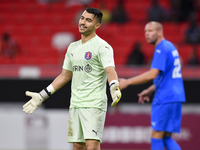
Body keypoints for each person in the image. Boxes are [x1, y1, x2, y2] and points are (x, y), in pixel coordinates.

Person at [22, 7, 121, 150]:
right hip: (75, 103)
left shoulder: (103, 46)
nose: (83, 22)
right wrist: (42, 95)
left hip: (94, 103)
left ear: (97, 25)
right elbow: (65, 75)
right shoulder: (72, 47)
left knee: (92, 146)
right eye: (82, 18)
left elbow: (110, 70)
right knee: (77, 146)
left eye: (88, 20)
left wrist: (114, 85)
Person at [119, 21, 186, 150]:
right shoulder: (170, 46)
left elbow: (152, 74)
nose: (147, 34)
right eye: (145, 31)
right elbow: (167, 76)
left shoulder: (161, 48)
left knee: (156, 136)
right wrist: (150, 89)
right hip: (176, 96)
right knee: (166, 137)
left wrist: (127, 82)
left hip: (166, 98)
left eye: (150, 31)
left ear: (159, 32)